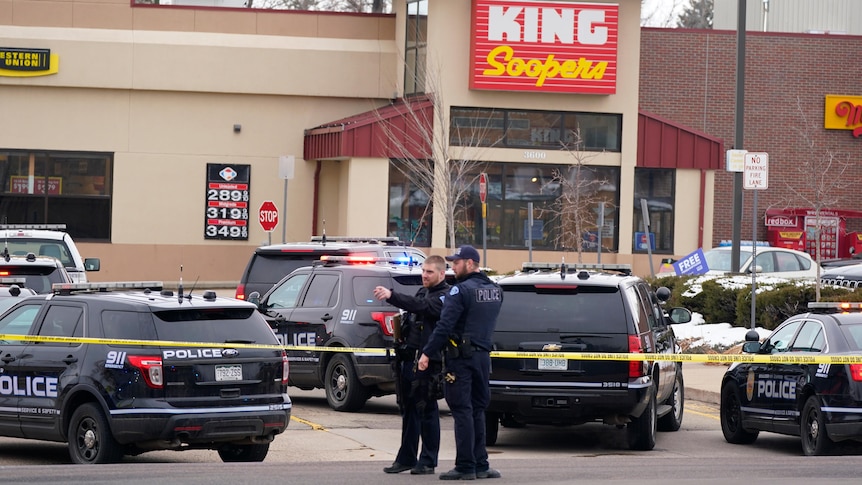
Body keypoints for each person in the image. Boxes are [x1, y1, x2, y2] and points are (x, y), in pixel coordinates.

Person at [417, 245, 503, 481]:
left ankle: (466, 465)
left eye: (456, 262)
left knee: (462, 410)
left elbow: (444, 327)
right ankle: (481, 463)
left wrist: (426, 353)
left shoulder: (459, 291)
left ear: (470, 263)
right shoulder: (495, 290)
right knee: (478, 409)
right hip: (483, 358)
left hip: (461, 360)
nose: (453, 267)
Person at [373, 255, 450, 475]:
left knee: (427, 410)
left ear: (441, 274)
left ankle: (427, 460)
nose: (424, 275)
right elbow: (414, 313)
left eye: (430, 272)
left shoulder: (444, 296)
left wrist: (392, 295)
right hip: (409, 359)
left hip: (428, 363)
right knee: (408, 410)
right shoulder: (422, 291)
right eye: (423, 271)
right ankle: (406, 457)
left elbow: (424, 307)